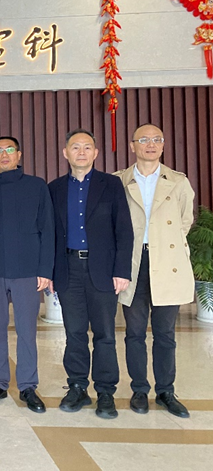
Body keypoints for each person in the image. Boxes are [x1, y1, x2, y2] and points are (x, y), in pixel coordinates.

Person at [49, 129, 133, 419]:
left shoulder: (111, 184)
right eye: (75, 147)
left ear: (96, 153)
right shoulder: (55, 188)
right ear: (66, 153)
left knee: (105, 334)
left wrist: (122, 270)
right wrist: (49, 272)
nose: (81, 152)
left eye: (87, 147)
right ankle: (77, 387)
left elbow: (124, 229)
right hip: (68, 269)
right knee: (74, 333)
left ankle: (106, 391)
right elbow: (49, 233)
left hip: (103, 270)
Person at [114, 124, 194, 418]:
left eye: (157, 139)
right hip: (133, 263)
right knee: (134, 332)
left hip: (167, 262)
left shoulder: (178, 181)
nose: (151, 144)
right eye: (144, 139)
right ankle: (139, 389)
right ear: (132, 145)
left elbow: (185, 221)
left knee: (165, 333)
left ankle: (165, 391)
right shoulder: (118, 181)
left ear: (163, 145)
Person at [0, 136, 54, 413]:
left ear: (19, 155)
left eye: (9, 150)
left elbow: (48, 230)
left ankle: (28, 385)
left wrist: (45, 270)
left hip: (27, 270)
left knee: (26, 330)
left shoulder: (37, 186)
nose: (4, 155)